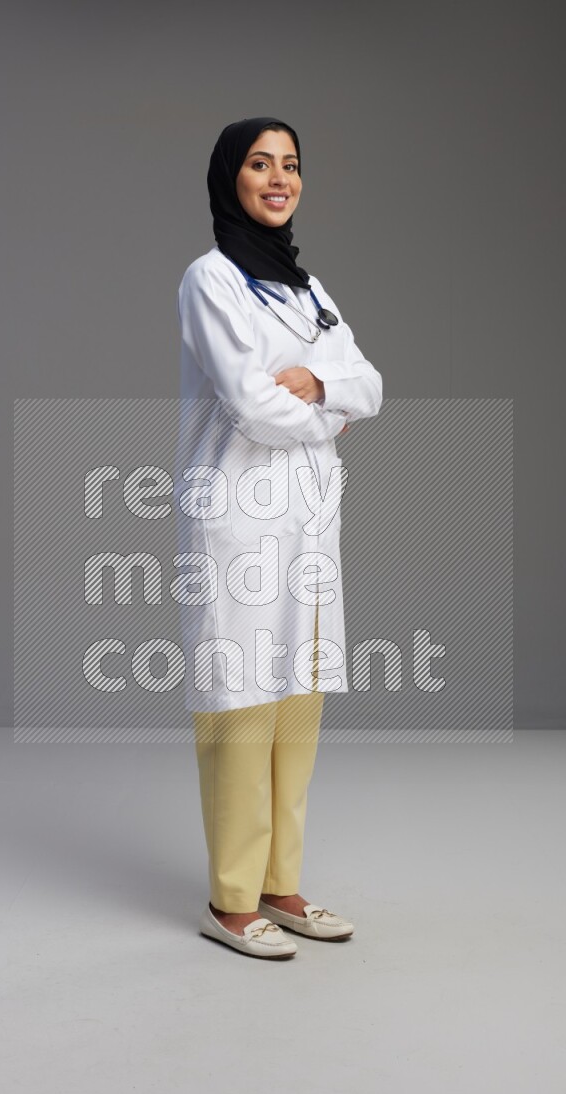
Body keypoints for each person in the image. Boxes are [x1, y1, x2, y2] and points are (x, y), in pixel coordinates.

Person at [175, 117, 382, 959]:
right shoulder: (210, 280)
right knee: (239, 699)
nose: (277, 178)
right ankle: (230, 899)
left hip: (307, 520)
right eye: (260, 164)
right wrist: (325, 407)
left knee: (299, 696)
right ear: (231, 178)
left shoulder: (309, 289)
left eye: (291, 165)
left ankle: (281, 883)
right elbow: (248, 402)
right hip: (235, 517)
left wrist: (323, 384)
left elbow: (371, 383)